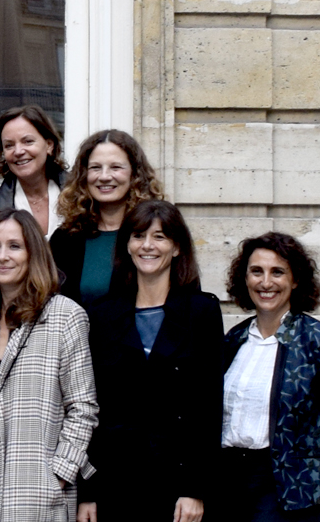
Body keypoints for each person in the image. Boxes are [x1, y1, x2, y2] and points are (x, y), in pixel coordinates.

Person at [0, 209, 98, 522]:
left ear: (33, 253)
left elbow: (83, 408)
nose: (2, 256)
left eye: (14, 246)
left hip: (37, 490)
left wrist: (59, 474)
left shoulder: (65, 316)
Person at [83, 200, 223, 522]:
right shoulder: (102, 315)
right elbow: (90, 409)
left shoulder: (201, 312)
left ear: (177, 248)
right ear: (127, 245)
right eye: (138, 236)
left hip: (177, 484)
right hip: (115, 483)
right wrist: (88, 492)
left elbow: (208, 407)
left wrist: (194, 489)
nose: (147, 245)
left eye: (160, 237)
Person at [214, 234, 320, 522]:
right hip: (229, 481)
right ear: (245, 278)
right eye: (257, 271)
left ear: (295, 280)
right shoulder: (234, 339)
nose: (266, 282)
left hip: (288, 488)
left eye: (277, 272)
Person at [49, 130, 164, 307]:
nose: (104, 177)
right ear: (84, 175)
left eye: (115, 167)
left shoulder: (159, 235)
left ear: (135, 173)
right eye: (95, 168)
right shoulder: (65, 239)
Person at [0, 106, 67, 237]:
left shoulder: (80, 194)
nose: (18, 151)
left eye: (28, 141)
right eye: (9, 145)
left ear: (49, 145)